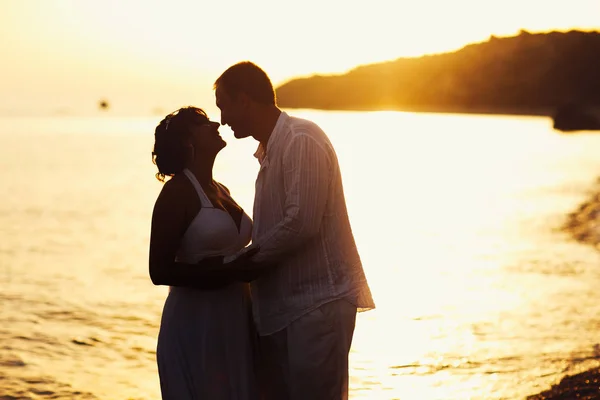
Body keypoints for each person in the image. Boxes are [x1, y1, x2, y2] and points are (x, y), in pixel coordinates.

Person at [214, 62, 376, 400]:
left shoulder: (301, 139)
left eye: (224, 106)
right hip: (284, 311)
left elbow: (301, 222)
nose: (223, 119)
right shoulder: (272, 150)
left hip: (316, 307)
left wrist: (241, 265)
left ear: (244, 100)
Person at [149, 106, 265, 399]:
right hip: (195, 326)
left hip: (234, 320)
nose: (215, 123)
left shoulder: (220, 189)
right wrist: (227, 272)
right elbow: (159, 271)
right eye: (202, 123)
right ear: (188, 141)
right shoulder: (177, 193)